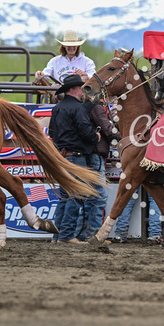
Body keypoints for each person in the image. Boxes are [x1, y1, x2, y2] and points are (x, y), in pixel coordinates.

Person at [48, 74, 100, 244]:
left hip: (62, 156)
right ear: (73, 90)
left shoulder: (57, 108)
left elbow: (51, 133)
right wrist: (96, 137)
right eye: (80, 88)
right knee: (75, 195)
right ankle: (67, 235)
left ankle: (58, 235)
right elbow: (86, 132)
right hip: (76, 157)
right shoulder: (77, 109)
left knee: (64, 196)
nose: (82, 92)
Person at [76, 101, 121, 241]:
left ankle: (82, 233)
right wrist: (127, 135)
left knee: (90, 196)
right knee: (99, 196)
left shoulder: (86, 106)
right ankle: (93, 233)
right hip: (96, 153)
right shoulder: (96, 107)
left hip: (89, 152)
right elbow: (108, 130)